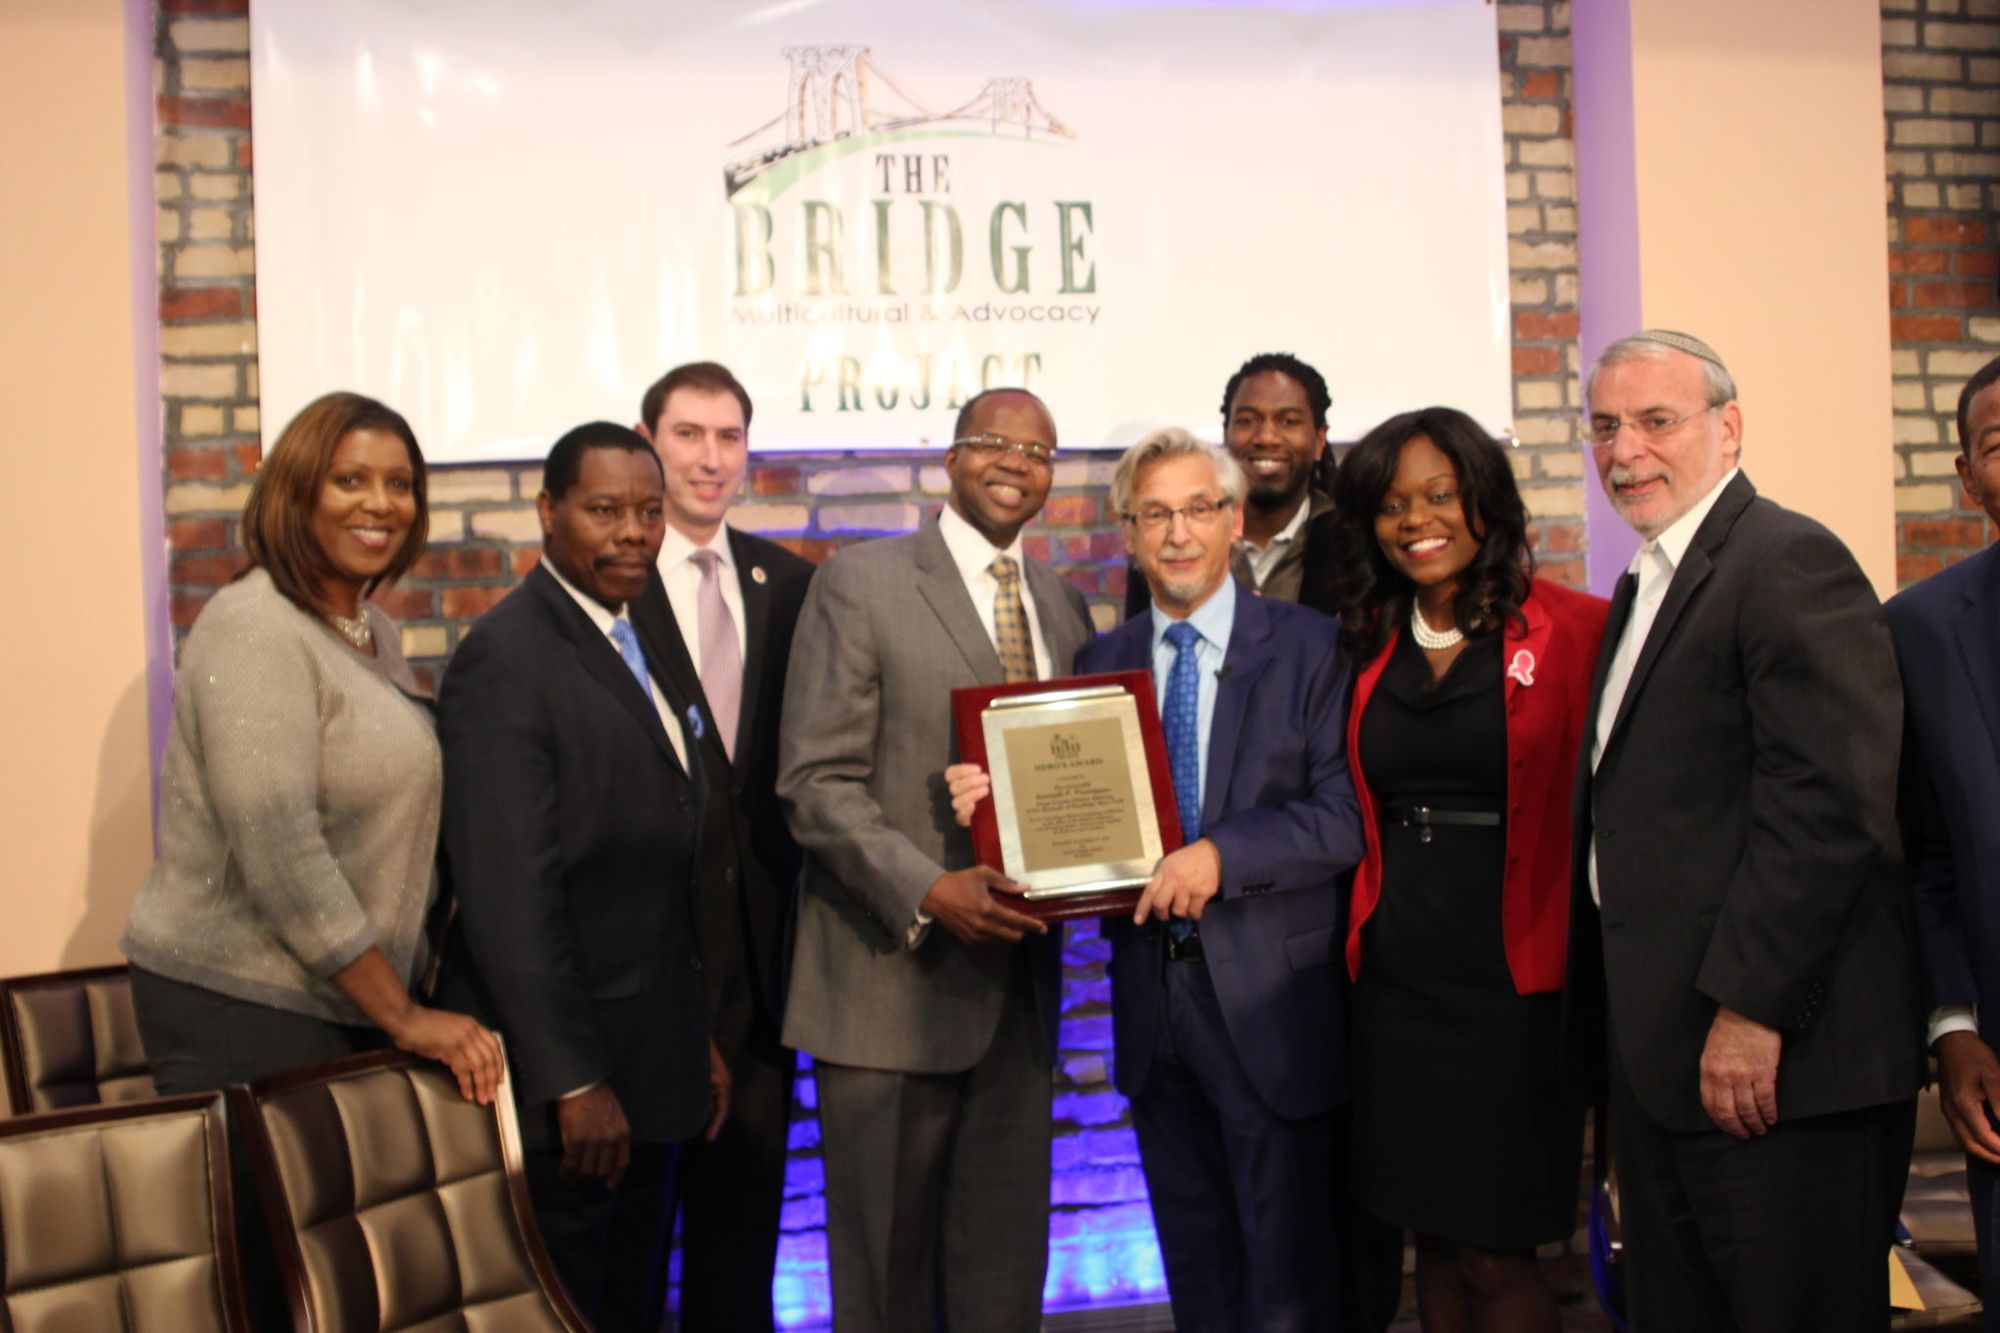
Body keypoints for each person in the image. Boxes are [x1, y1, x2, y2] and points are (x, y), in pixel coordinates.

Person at [953, 427, 1362, 1330]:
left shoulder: (1311, 648)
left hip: (1271, 1009)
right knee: (1197, 1270)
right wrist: (993, 802)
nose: (1177, 534)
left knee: (1290, 1282)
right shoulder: (1103, 662)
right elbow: (1071, 827)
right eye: (1155, 515)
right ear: (1128, 535)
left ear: (1232, 521)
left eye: (1197, 510)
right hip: (1153, 1009)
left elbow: (1344, 818)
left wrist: (1223, 856)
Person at [1566, 329, 1922, 1331]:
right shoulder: (1646, 579)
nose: (1622, 449)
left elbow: (1830, 804)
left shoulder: (1783, 559)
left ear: (1726, 427)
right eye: (1602, 426)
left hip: (1773, 1065)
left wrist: (1749, 1011)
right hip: (1667, 1061)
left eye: (1653, 421)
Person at [777, 387, 1094, 1332]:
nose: (1015, 462)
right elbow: (813, 781)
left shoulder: (1065, 606)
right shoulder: (861, 582)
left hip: (1018, 1002)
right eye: (993, 443)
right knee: (885, 1286)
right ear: (951, 459)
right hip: (888, 990)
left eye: (1038, 451)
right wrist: (925, 886)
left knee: (1002, 1286)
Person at [123, 390, 501, 1100]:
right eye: (349, 479)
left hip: (335, 999)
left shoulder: (370, 630)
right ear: (296, 491)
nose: (381, 503)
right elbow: (280, 847)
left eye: (399, 484)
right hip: (244, 1001)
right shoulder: (255, 626)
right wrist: (404, 1014)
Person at [435, 423, 726, 1332]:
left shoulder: (634, 634)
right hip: (579, 1095)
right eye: (605, 511)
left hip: (654, 1061)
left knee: (636, 1303)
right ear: (549, 513)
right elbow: (508, 897)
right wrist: (569, 1081)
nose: (633, 532)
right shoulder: (507, 656)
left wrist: (694, 1040)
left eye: (648, 511)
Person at [1327, 406, 1606, 1333]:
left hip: (1513, 988)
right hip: (1397, 983)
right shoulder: (1366, 639)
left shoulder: (1577, 629)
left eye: (1439, 494)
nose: (1416, 521)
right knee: (1432, 1239)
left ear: (1485, 499)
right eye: (1393, 504)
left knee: (1495, 1247)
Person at [629, 362, 814, 1331]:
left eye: (728, 436)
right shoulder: (608, 587)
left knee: (741, 1230)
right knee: (631, 1233)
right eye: (688, 434)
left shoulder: (784, 583)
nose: (709, 458)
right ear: (647, 438)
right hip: (647, 960)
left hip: (761, 964)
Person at [1887, 352, 2000, 1327]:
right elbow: (1922, 853)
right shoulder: (1917, 629)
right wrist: (1950, 1025)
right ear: (1965, 477)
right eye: (1998, 444)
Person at [1126, 351, 1340, 614]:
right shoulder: (1172, 541)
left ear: (1319, 441)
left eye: (1289, 421)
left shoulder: (1350, 542)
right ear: (1225, 434)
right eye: (1247, 420)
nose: (1266, 437)